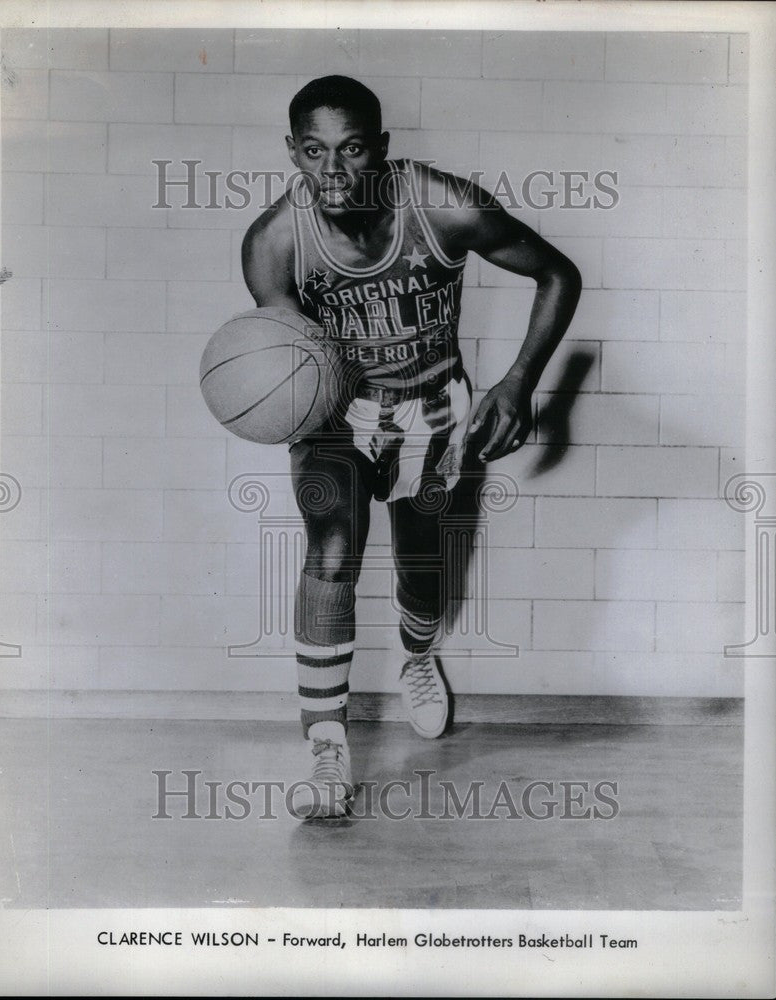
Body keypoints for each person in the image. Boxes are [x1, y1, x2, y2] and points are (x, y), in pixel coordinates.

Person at [241, 75, 581, 818]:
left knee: (421, 579)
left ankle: (418, 656)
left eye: (352, 149)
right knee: (330, 553)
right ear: (293, 153)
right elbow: (284, 366)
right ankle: (327, 752)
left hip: (433, 412)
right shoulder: (272, 245)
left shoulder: (439, 205)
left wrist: (519, 385)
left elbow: (558, 273)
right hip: (337, 415)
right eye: (314, 151)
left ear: (382, 150)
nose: (333, 171)